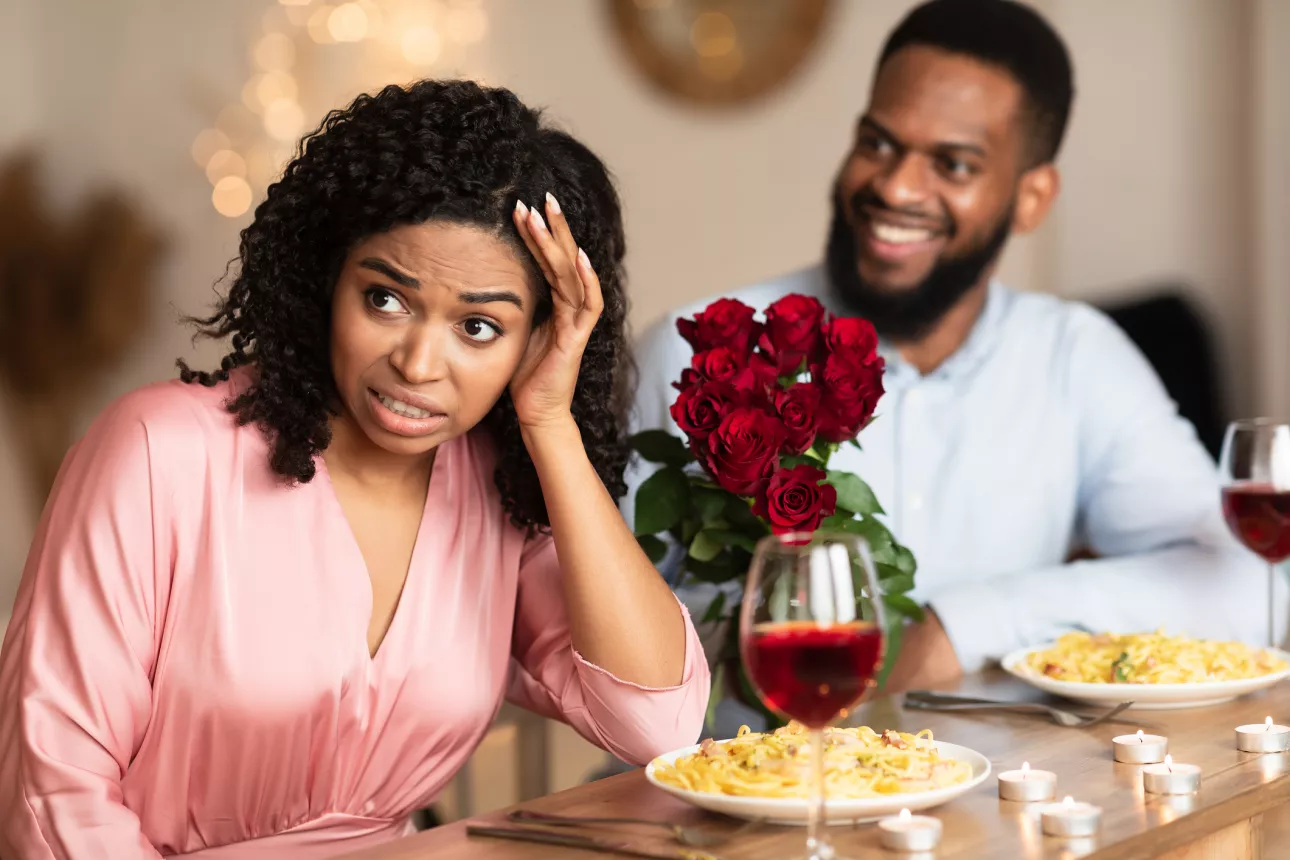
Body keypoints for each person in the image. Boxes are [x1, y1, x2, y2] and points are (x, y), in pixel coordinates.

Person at [0, 80, 709, 858]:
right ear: (326, 277)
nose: (418, 362)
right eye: (386, 299)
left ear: (534, 339)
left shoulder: (498, 492)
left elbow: (657, 724)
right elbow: (53, 787)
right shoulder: (156, 452)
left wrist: (549, 423)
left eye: (479, 326)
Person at [626, 0, 1278, 733]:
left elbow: (1247, 584)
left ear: (1031, 198)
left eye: (954, 163)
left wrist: (962, 626)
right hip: (718, 817)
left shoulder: (1074, 356)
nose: (897, 188)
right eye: (878, 143)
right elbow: (582, 638)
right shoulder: (696, 352)